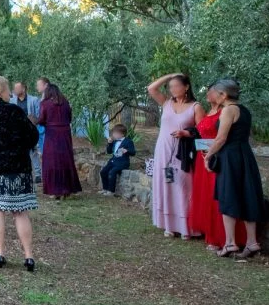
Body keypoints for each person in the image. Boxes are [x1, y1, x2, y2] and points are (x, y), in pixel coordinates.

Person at [0, 75, 40, 271]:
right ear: (2, 90)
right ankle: (28, 256)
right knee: (20, 212)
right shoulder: (15, 111)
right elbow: (32, 137)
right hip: (16, 169)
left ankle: (0, 253)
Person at [206, 79, 267, 259]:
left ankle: (230, 243)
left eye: (215, 93)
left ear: (223, 95)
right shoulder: (245, 110)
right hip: (245, 156)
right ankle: (251, 242)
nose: (213, 96)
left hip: (230, 158)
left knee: (228, 195)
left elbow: (221, 138)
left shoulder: (228, 110)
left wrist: (208, 155)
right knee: (247, 195)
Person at [180, 90, 247, 251]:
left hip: (216, 158)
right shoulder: (208, 111)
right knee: (205, 196)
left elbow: (224, 137)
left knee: (217, 195)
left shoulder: (224, 112)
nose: (207, 95)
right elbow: (200, 131)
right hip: (201, 156)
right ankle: (209, 233)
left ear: (221, 95)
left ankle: (222, 237)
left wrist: (211, 151)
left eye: (211, 92)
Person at [147, 72, 205, 238]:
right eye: (170, 86)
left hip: (183, 153)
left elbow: (203, 131)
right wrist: (170, 76)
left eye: (176, 85)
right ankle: (169, 225)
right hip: (163, 150)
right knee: (166, 184)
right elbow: (151, 88)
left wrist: (186, 133)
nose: (172, 89)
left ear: (186, 87)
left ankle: (186, 226)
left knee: (183, 187)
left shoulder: (196, 107)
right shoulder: (166, 103)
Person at [37, 83, 82, 199]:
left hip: (52, 133)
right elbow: (70, 118)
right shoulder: (66, 103)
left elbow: (42, 119)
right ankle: (67, 189)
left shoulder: (45, 104)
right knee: (66, 159)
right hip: (65, 133)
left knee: (52, 160)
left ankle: (55, 190)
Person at [10, 81, 42, 180]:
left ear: (23, 89)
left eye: (17, 88)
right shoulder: (12, 101)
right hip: (17, 131)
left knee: (33, 152)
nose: (14, 90)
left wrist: (33, 120)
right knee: (18, 152)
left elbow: (38, 115)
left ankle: (37, 174)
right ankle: (20, 173)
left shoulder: (34, 100)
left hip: (30, 130)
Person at [99, 124, 136, 195]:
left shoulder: (128, 141)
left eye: (115, 133)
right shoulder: (115, 141)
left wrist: (127, 151)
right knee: (103, 172)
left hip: (122, 163)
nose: (113, 135)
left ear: (121, 134)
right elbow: (109, 151)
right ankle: (105, 189)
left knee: (112, 172)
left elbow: (133, 152)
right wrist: (109, 143)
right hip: (113, 161)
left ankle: (111, 191)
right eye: (113, 133)